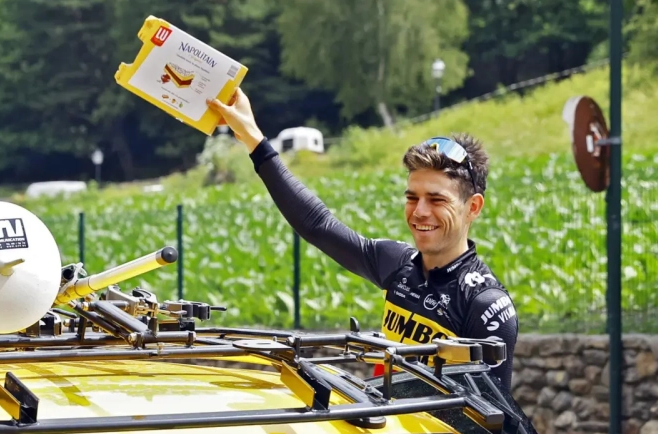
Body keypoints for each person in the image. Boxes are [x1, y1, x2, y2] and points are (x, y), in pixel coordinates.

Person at [206, 88, 518, 392]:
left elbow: (489, 427)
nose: (420, 212)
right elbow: (317, 224)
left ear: (472, 207)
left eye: (437, 200)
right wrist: (252, 138)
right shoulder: (399, 264)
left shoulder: (485, 304)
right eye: (412, 197)